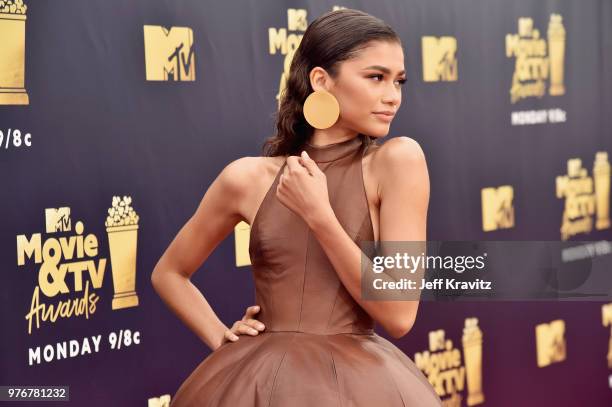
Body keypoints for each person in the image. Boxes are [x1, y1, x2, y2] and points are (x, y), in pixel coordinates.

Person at [152, 8, 442, 406]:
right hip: (254, 384)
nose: (393, 96)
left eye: (399, 81)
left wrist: (320, 216)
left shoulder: (398, 162)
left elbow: (399, 313)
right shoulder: (246, 177)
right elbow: (169, 273)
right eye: (376, 77)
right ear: (321, 80)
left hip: (362, 387)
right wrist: (222, 337)